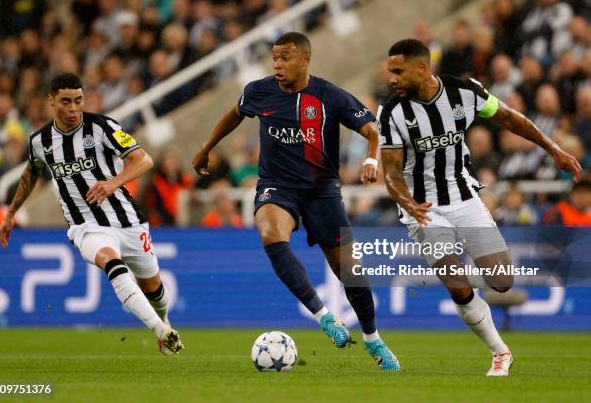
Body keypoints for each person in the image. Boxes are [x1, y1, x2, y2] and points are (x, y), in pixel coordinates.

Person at [192, 32, 400, 371]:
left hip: (322, 192)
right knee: (271, 234)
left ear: (305, 60)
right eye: (274, 58)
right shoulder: (259, 91)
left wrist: (371, 160)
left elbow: (373, 130)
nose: (277, 64)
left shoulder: (329, 96)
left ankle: (373, 339)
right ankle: (324, 316)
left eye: (285, 57)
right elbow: (235, 113)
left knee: (350, 271)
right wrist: (206, 147)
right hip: (277, 187)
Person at [378, 39, 581, 376]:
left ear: (422, 68)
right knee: (456, 282)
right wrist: (407, 202)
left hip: (465, 197)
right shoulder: (391, 111)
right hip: (425, 208)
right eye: (390, 72)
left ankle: (457, 277)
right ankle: (500, 351)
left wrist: (554, 149)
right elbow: (391, 171)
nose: (392, 79)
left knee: (502, 280)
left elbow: (511, 119)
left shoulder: (464, 93)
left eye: (398, 71)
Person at [0, 73, 183, 356]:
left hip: (127, 221)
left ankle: (165, 321)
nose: (73, 108)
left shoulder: (102, 127)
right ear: (51, 101)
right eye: (65, 102)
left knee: (154, 287)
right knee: (112, 264)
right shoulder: (40, 141)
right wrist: (11, 212)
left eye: (78, 101)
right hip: (85, 226)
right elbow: (31, 171)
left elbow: (143, 159)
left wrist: (112, 183)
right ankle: (161, 331)